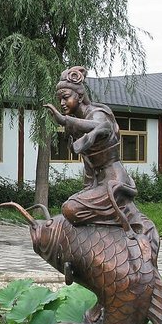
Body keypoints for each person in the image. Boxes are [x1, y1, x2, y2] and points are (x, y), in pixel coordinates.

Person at [44, 66, 139, 233]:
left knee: (70, 209)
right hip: (98, 181)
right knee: (69, 208)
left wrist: (66, 120)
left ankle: (125, 216)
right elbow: (89, 163)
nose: (62, 103)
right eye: (59, 100)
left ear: (80, 96)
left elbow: (103, 127)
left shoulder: (97, 113)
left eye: (65, 98)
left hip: (114, 180)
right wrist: (88, 187)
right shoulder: (77, 123)